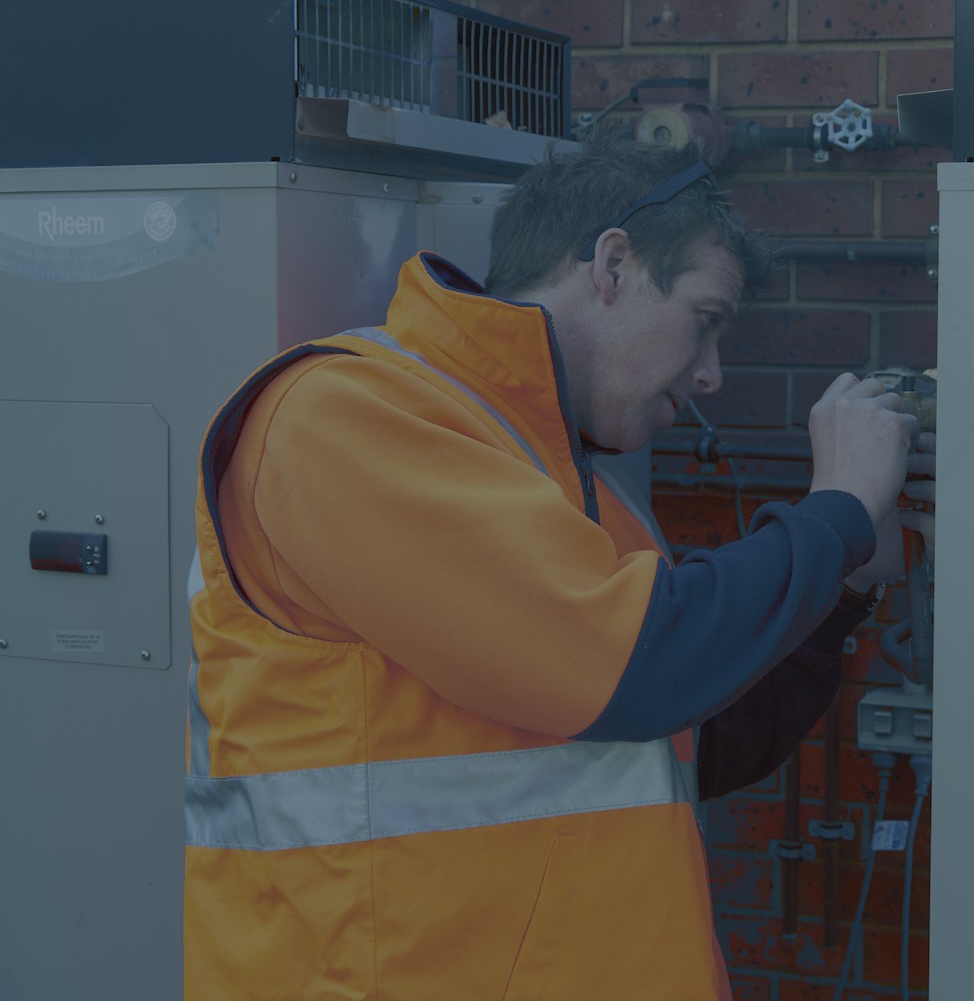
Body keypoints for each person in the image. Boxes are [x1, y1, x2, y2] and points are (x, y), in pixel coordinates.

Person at [182, 133, 930, 1000]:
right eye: (706, 321)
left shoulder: (571, 490)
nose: (712, 375)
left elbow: (698, 741)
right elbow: (630, 672)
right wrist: (835, 510)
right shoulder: (344, 416)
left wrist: (845, 580)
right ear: (613, 265)